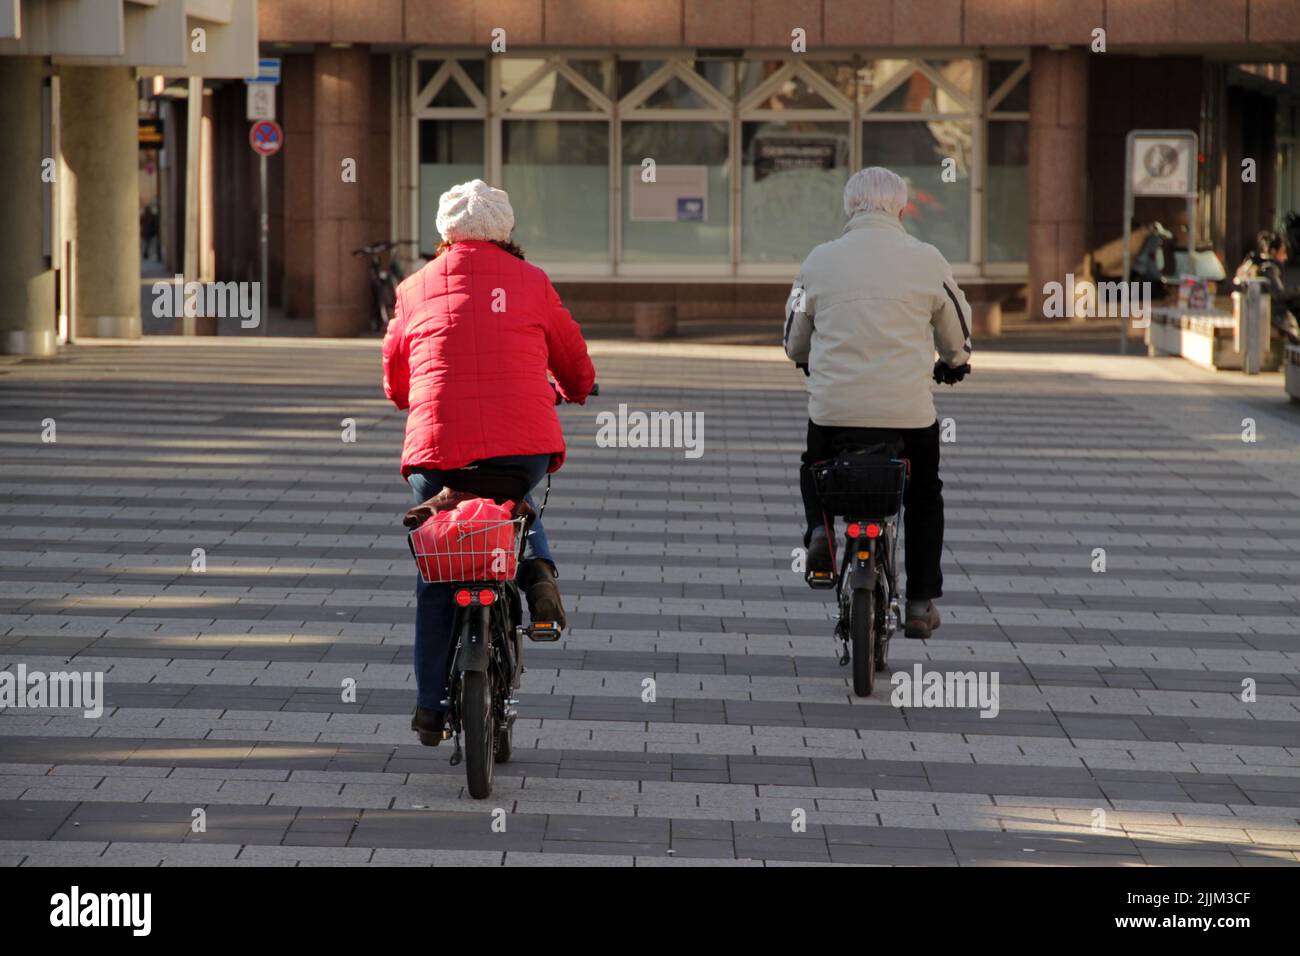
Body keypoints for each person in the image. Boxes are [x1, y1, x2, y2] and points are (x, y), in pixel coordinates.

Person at [382, 179, 595, 744]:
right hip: (521, 450)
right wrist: (580, 387)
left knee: (437, 570)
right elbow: (573, 358)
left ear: (443, 232)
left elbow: (396, 373)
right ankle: (539, 573)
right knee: (512, 503)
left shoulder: (413, 286)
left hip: (437, 453)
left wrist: (412, 396)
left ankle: (430, 706)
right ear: (506, 231)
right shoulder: (531, 282)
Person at [783, 166, 971, 640]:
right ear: (903, 209)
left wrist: (806, 358)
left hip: (835, 411)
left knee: (814, 463)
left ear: (849, 208)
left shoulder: (819, 260)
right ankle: (920, 601)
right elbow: (957, 330)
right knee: (924, 493)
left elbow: (793, 337)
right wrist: (954, 361)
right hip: (907, 416)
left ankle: (822, 531)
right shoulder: (927, 259)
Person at [1233, 230, 1300, 344]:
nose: (1285, 257)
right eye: (1283, 252)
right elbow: (1279, 294)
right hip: (1273, 317)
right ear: (1273, 252)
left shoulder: (1253, 263)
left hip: (1254, 314)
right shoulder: (1270, 269)